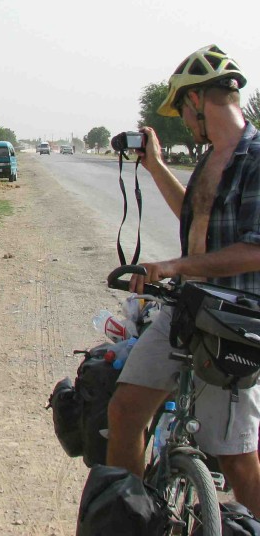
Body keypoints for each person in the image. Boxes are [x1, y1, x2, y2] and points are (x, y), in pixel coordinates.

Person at [107, 44, 260, 513]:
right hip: (187, 308)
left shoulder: (255, 158)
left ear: (197, 101)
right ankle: (126, 521)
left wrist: (175, 266)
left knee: (235, 460)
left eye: (183, 110)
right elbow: (194, 218)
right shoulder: (211, 158)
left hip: (234, 323)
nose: (184, 121)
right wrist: (153, 165)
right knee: (125, 412)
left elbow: (255, 250)